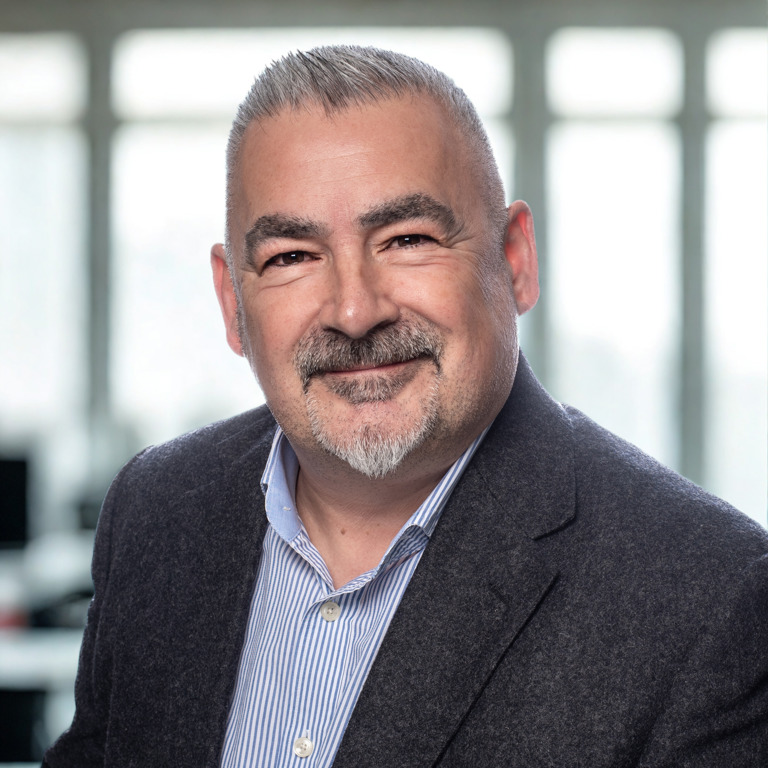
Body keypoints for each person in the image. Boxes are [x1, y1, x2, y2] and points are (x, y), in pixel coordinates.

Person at [44, 46, 767, 767]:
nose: (355, 311)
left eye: (407, 239)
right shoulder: (155, 512)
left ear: (514, 261)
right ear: (233, 302)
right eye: (292, 256)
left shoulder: (707, 596)